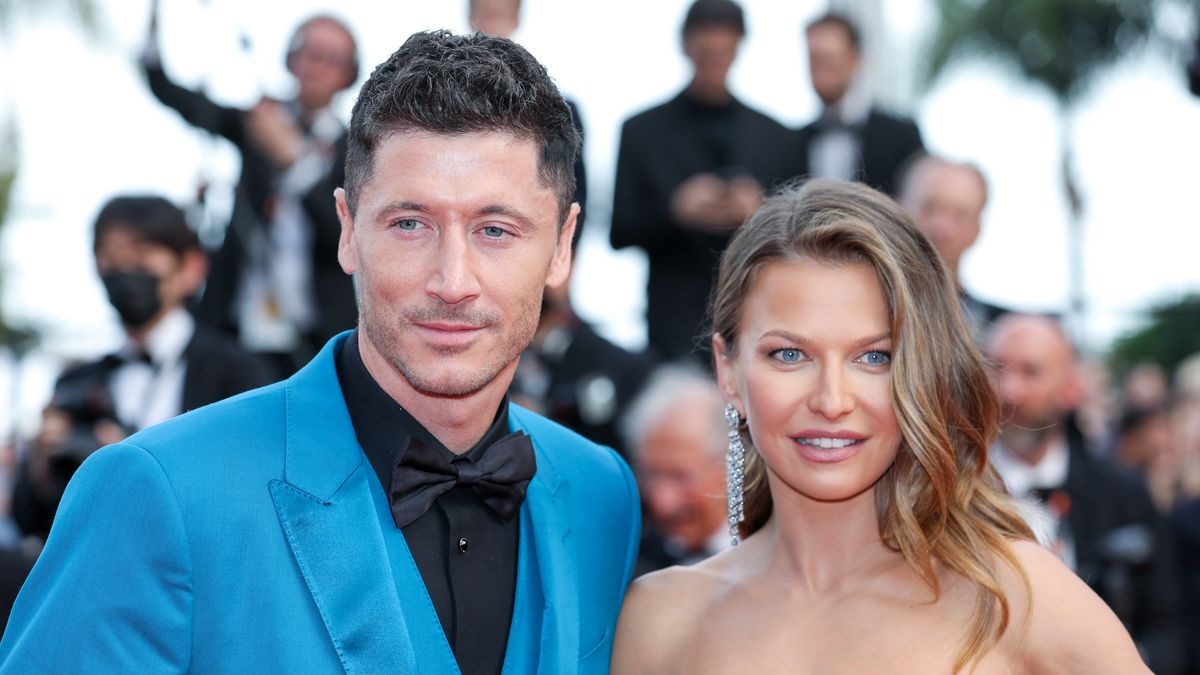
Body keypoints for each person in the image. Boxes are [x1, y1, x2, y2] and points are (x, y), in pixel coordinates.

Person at [1, 31, 640, 673]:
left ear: (562, 246)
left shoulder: (601, 492)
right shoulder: (155, 492)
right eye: (409, 224)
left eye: (495, 230)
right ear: (347, 232)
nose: (453, 282)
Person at [611, 180, 1150, 674]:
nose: (831, 400)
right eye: (790, 353)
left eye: (873, 358)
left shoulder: (1015, 597)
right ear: (728, 372)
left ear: (922, 369)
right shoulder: (660, 619)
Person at [10, 195, 274, 541]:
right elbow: (29, 520)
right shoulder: (76, 382)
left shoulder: (240, 376)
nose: (123, 269)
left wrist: (133, 464)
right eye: (110, 255)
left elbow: (255, 495)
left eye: (141, 253)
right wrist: (39, 466)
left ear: (191, 268)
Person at [142, 11, 360, 374]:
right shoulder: (261, 118)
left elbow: (341, 233)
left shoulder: (356, 148)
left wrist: (295, 163)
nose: (317, 67)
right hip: (237, 322)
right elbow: (189, 104)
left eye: (332, 58)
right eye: (310, 52)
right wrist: (152, 29)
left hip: (312, 332)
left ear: (349, 73)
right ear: (291, 59)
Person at [986, 313, 1184, 673]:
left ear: (1071, 389)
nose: (1008, 390)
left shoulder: (1125, 494)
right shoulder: (945, 491)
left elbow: (1168, 628)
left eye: (1031, 371)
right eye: (996, 368)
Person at [610, 0, 792, 362]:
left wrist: (759, 212)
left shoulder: (776, 136)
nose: (714, 63)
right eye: (706, 53)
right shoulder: (642, 130)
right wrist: (675, 211)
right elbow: (620, 231)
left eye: (723, 53)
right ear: (685, 46)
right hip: (670, 328)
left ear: (739, 47)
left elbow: (799, 236)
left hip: (758, 316)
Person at [787, 13, 924, 196]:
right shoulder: (792, 143)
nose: (820, 70)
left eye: (830, 58)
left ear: (854, 59)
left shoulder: (901, 136)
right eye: (814, 59)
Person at [620, 364, 729, 575]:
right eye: (650, 477)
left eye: (680, 477)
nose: (663, 503)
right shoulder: (629, 567)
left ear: (729, 464)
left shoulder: (782, 554)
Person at [898, 154, 1008, 332]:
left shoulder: (1000, 337)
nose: (942, 227)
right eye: (929, 208)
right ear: (897, 209)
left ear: (977, 230)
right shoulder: (862, 310)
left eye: (960, 215)